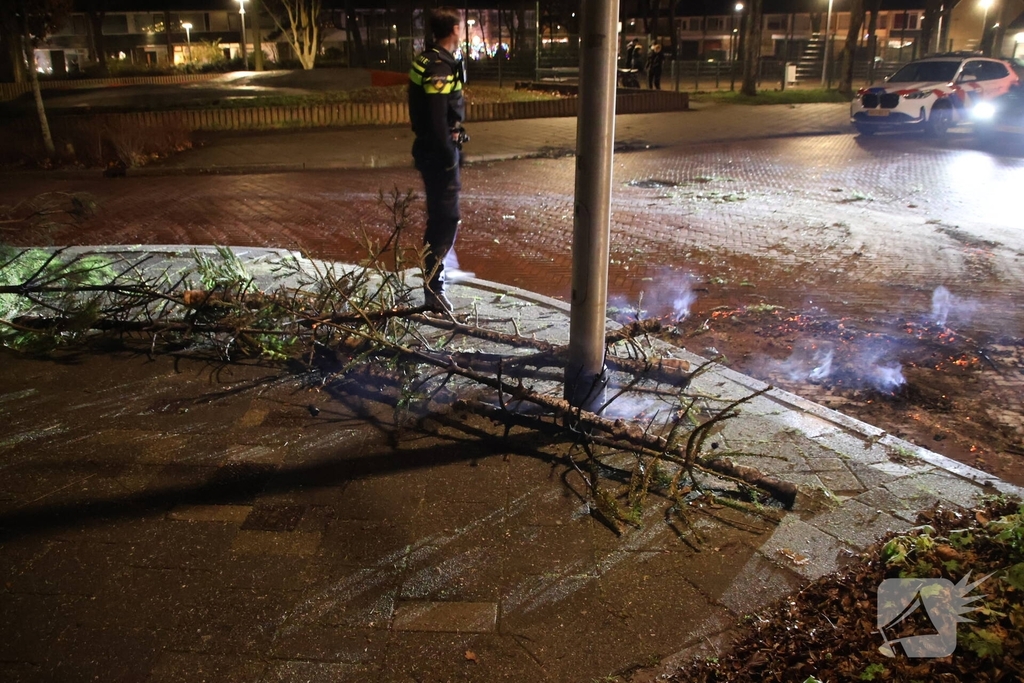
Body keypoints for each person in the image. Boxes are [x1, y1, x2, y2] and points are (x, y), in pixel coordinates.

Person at [408, 7, 466, 314]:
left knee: (441, 217)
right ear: (454, 30)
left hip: (433, 149)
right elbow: (436, 115)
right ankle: (434, 288)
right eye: (461, 26)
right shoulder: (438, 66)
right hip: (438, 152)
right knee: (445, 219)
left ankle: (435, 279)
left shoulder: (429, 59)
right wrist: (448, 156)